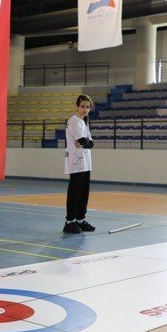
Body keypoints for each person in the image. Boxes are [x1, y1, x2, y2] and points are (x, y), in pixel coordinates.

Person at [63, 94, 96, 234]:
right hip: (76, 163)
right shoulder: (74, 121)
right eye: (82, 106)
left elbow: (91, 143)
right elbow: (83, 141)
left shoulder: (84, 122)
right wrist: (86, 143)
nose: (85, 109)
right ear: (77, 106)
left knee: (84, 193)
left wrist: (86, 143)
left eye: (88, 107)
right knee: (75, 193)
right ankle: (69, 222)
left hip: (86, 162)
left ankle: (80, 219)